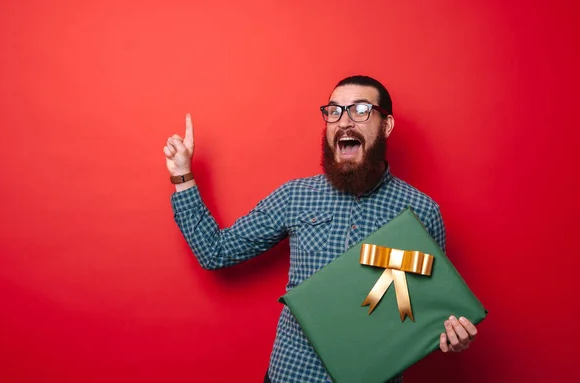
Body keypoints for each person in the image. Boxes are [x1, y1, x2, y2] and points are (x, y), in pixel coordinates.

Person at [163, 75, 478, 383]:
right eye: (334, 111)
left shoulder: (422, 212)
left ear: (386, 125)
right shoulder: (295, 196)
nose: (344, 121)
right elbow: (216, 252)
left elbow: (426, 313)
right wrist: (182, 176)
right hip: (291, 375)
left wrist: (450, 335)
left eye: (360, 110)